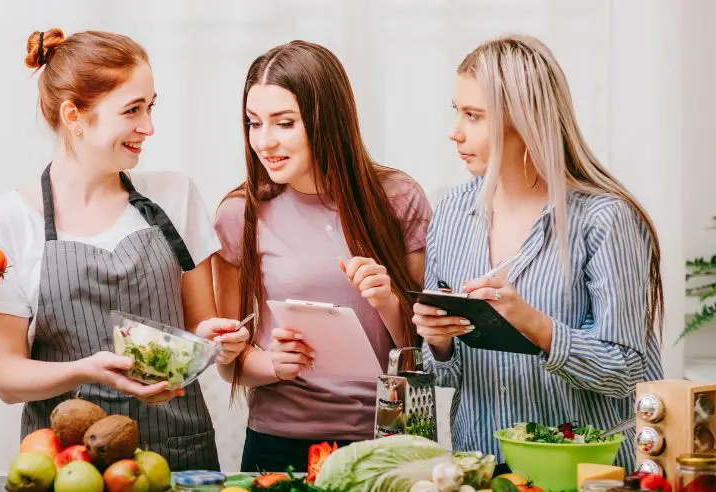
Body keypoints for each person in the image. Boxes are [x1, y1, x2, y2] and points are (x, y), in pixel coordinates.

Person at [0, 28, 249, 472]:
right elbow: (7, 377)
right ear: (73, 114)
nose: (148, 127)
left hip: (179, 455)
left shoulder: (174, 196)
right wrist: (88, 369)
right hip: (69, 464)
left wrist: (221, 343)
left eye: (150, 107)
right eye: (132, 110)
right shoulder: (9, 221)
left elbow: (199, 328)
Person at [416, 34, 664, 471]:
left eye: (473, 116)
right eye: (457, 112)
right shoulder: (451, 212)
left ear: (525, 120)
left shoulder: (604, 219)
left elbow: (628, 371)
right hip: (484, 472)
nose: (455, 132)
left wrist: (534, 325)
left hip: (584, 474)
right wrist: (437, 344)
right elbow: (445, 379)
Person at [212, 40, 432, 473]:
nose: (264, 141)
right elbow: (230, 362)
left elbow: (425, 348)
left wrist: (387, 301)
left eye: (284, 123)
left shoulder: (398, 199)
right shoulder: (241, 214)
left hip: (386, 439)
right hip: (279, 444)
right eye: (254, 123)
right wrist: (272, 365)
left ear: (326, 120)